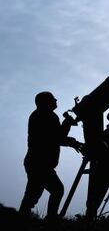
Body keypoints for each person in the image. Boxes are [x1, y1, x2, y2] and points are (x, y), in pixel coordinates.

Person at [19, 91, 83, 221]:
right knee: (52, 191)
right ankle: (49, 220)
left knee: (35, 194)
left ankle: (24, 221)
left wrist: (67, 124)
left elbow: (57, 135)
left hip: (39, 163)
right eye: (53, 99)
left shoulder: (47, 115)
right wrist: (72, 140)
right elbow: (56, 138)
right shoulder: (44, 116)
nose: (56, 100)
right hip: (39, 163)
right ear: (46, 102)